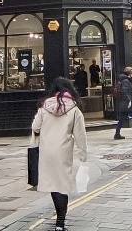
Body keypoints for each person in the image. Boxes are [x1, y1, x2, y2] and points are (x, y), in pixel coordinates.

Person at [31, 78, 89, 231]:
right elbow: (80, 135)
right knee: (62, 185)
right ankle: (60, 223)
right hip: (63, 152)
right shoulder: (74, 109)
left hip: (46, 152)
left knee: (53, 185)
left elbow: (35, 127)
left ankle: (59, 221)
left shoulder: (44, 107)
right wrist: (83, 154)